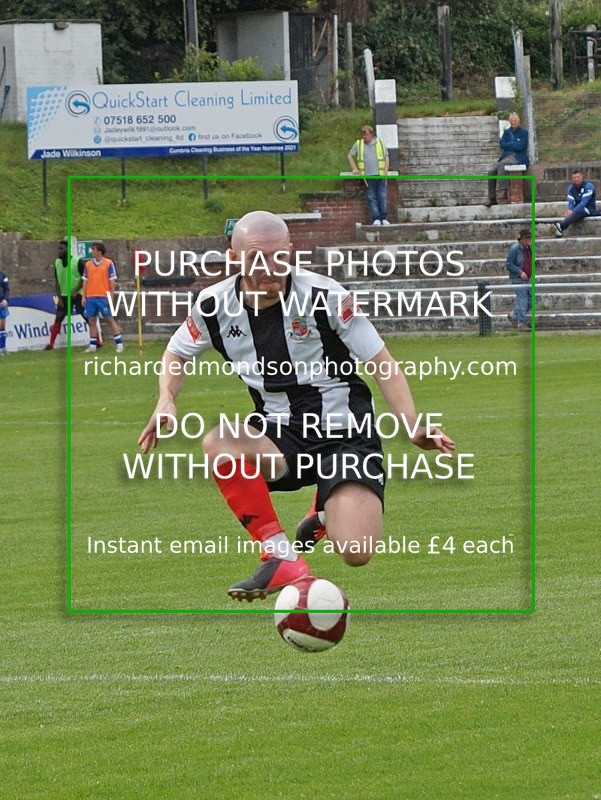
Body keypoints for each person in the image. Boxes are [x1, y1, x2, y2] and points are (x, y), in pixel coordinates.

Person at [138, 211, 455, 601]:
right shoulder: (213, 305)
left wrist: (412, 425)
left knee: (356, 553)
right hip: (279, 433)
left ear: (291, 252)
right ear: (234, 258)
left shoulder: (325, 296)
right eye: (257, 258)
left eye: (279, 257)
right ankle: (279, 555)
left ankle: (322, 511)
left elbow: (382, 364)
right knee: (219, 441)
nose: (270, 268)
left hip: (346, 436)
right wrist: (166, 398)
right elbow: (176, 353)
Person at [81, 241, 123, 353]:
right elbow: (85, 281)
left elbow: (112, 281)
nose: (92, 251)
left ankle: (119, 344)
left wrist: (111, 296)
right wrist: (84, 296)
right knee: (91, 320)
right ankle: (92, 345)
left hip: (103, 296)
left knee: (109, 319)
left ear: (99, 251)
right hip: (91, 296)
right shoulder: (88, 264)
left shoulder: (108, 263)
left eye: (93, 249)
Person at [45, 240, 86, 350]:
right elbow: (57, 281)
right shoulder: (57, 262)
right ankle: (51, 344)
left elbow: (85, 278)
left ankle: (97, 341)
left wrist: (76, 291)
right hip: (64, 295)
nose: (59, 251)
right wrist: (59, 297)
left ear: (67, 250)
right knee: (59, 317)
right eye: (58, 249)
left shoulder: (77, 261)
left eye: (61, 249)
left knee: (85, 315)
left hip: (77, 294)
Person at [348, 125, 390, 225]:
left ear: (371, 134)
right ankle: (377, 218)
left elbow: (386, 158)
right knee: (371, 197)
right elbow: (350, 155)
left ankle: (384, 218)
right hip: (368, 176)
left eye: (366, 134)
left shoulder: (380, 143)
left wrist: (385, 172)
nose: (364, 137)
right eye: (363, 134)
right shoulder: (359, 144)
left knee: (382, 196)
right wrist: (354, 168)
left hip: (380, 175)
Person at [484, 113, 529, 207]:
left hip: (517, 157)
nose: (513, 122)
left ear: (518, 121)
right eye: (511, 120)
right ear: (509, 122)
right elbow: (502, 144)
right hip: (506, 156)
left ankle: (502, 191)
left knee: (502, 164)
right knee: (491, 171)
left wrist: (509, 145)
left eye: (515, 120)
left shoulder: (523, 132)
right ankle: (491, 198)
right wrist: (513, 144)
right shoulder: (506, 132)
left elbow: (521, 146)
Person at [550, 169, 600, 237]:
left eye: (578, 177)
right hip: (576, 212)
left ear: (582, 176)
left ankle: (560, 225)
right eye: (574, 177)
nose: (576, 179)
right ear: (572, 178)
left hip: (589, 210)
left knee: (580, 210)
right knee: (573, 211)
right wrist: (570, 210)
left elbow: (584, 202)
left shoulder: (589, 186)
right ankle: (559, 230)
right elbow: (571, 202)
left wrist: (572, 211)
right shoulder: (571, 188)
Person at [506, 228, 532, 332]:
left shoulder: (529, 248)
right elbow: (509, 264)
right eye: (527, 238)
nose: (529, 240)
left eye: (530, 238)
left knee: (531, 302)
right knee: (523, 301)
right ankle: (522, 324)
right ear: (521, 239)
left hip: (528, 278)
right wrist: (520, 272)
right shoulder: (515, 249)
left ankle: (513, 315)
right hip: (518, 279)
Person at [0, 269, 9, 355]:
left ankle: (3, 348)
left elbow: (7, 288)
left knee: (2, 325)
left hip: (2, 303)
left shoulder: (3, 275)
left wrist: (5, 299)